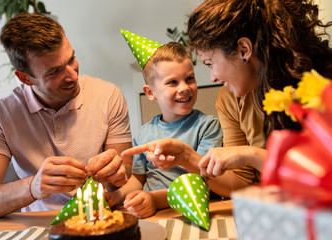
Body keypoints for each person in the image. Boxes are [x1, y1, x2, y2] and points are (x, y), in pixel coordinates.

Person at [121, 0, 332, 195]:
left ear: (244, 50)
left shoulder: (321, 86)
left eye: (209, 63)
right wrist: (187, 156)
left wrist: (253, 155)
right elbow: (239, 184)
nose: (212, 77)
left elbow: (322, 173)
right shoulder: (229, 100)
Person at [0, 13, 133, 217]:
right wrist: (34, 187)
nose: (72, 75)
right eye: (54, 72)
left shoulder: (108, 95)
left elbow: (125, 175)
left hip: (101, 217)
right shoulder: (3, 115)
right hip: (40, 224)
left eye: (71, 59)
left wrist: (117, 172)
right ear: (25, 78)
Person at [108, 31, 222, 218]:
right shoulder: (144, 134)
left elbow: (202, 179)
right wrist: (116, 196)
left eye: (189, 79)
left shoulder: (208, 126)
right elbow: (138, 178)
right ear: (150, 92)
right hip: (152, 212)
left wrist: (154, 199)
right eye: (173, 82)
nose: (184, 88)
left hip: (193, 211)